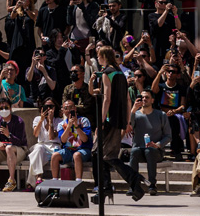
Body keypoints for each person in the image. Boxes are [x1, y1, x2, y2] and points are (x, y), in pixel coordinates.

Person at [93, 44, 145, 203]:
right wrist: (128, 119)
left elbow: (106, 99)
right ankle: (106, 188)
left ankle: (133, 179)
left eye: (99, 56)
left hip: (109, 119)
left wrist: (100, 121)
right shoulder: (121, 74)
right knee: (102, 155)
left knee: (102, 154)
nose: (97, 58)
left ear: (104, 57)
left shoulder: (106, 74)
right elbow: (128, 99)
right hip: (119, 119)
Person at [0, 96, 28, 191]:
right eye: (1, 108)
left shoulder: (18, 121)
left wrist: (9, 135)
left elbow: (20, 141)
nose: (4, 110)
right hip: (4, 150)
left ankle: (12, 180)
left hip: (19, 150)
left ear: (11, 108)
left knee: (9, 148)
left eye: (6, 107)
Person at [129, 89, 170, 193]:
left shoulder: (161, 115)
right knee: (134, 151)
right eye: (142, 97)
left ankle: (152, 184)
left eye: (147, 97)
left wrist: (157, 145)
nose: (144, 99)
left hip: (155, 151)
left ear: (152, 100)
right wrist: (133, 110)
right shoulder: (136, 115)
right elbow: (128, 127)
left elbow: (168, 136)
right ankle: (134, 185)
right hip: (139, 149)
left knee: (149, 151)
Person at [54, 97, 94, 181]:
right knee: (55, 156)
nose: (68, 110)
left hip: (83, 149)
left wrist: (76, 126)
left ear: (75, 109)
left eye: (71, 107)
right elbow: (63, 140)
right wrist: (68, 126)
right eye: (66, 108)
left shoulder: (83, 120)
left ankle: (78, 180)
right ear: (63, 111)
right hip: (68, 150)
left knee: (76, 155)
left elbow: (85, 139)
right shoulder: (61, 124)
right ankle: (55, 180)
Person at [27, 98, 62, 185]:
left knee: (35, 156)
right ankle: (38, 177)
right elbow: (35, 134)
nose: (49, 109)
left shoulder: (59, 120)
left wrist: (50, 121)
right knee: (38, 149)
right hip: (41, 145)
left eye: (51, 106)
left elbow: (51, 137)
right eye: (46, 106)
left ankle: (30, 183)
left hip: (54, 146)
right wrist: (42, 120)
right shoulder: (37, 119)